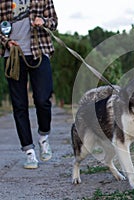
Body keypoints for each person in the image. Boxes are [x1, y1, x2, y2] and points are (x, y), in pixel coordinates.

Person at [0, 0, 58, 169]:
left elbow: (54, 21)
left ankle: (43, 136)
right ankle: (29, 152)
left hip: (39, 51)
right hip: (12, 56)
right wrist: (6, 42)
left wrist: (44, 21)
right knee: (19, 105)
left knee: (43, 99)